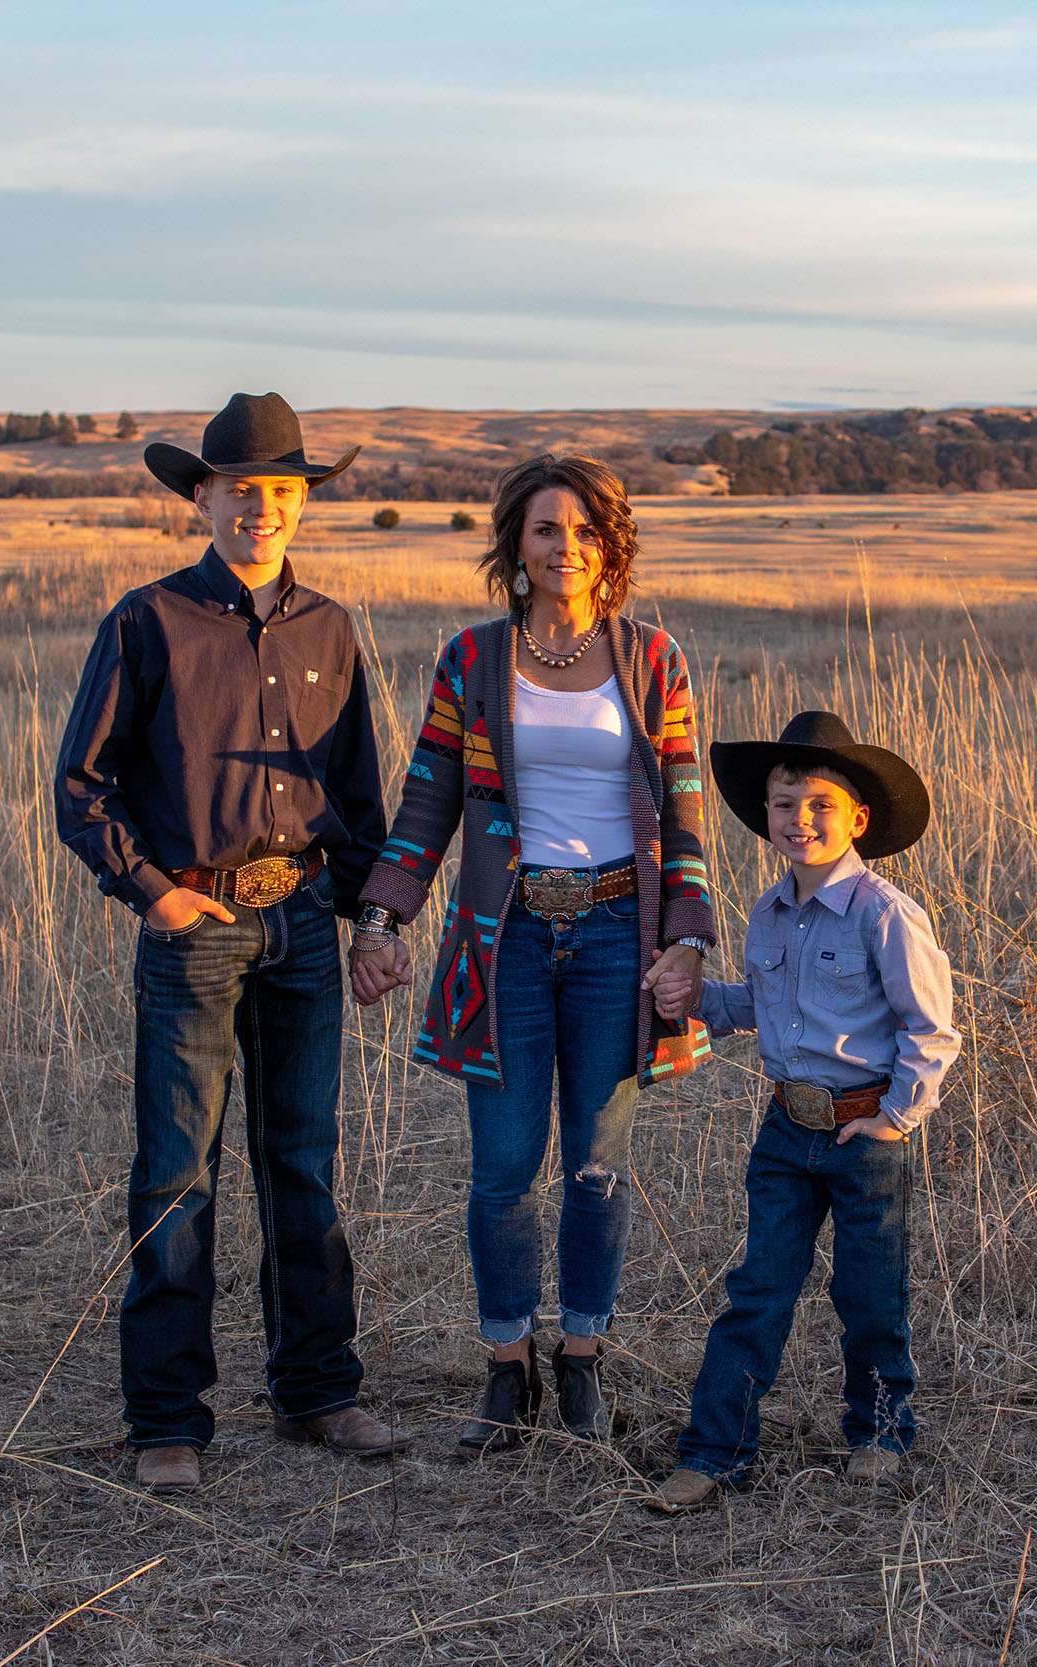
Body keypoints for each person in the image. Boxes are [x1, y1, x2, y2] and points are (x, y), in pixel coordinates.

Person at [54, 391, 407, 1493]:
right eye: (240, 490)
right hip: (195, 927)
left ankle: (317, 1391)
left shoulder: (330, 628)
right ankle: (167, 1417)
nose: (262, 509)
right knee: (175, 1169)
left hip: (302, 919)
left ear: (304, 504)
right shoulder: (146, 621)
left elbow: (354, 793)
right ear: (199, 498)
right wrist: (150, 891)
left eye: (283, 492)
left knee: (302, 1160)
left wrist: (374, 923)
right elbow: (81, 784)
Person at [350, 452, 717, 1453]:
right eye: (548, 528)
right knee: (502, 1169)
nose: (566, 547)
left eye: (587, 530)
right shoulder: (472, 660)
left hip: (615, 935)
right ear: (514, 541)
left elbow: (683, 808)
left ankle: (583, 1361)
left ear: (613, 545)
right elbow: (427, 799)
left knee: (599, 1165)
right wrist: (381, 917)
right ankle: (506, 1370)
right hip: (503, 940)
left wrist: (685, 934)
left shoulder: (654, 659)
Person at [645, 710, 961, 1510]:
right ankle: (714, 1451)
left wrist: (895, 1116)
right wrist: (697, 999)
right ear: (767, 818)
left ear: (857, 819)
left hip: (865, 1133)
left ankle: (880, 1430)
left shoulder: (884, 913)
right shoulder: (769, 912)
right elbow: (763, 1001)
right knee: (758, 1289)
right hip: (787, 1130)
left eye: (820, 804)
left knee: (869, 1295)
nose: (800, 820)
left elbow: (932, 1028)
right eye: (785, 805)